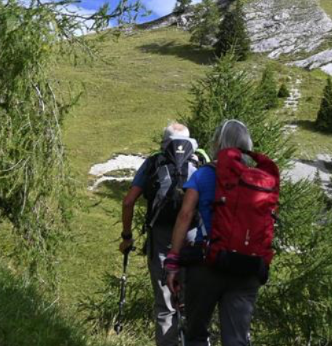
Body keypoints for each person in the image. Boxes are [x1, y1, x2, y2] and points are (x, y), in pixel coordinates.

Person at [165, 120, 279, 346]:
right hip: (247, 267)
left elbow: (185, 215)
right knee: (237, 339)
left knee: (196, 334)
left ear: (218, 143)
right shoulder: (258, 180)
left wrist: (173, 262)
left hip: (207, 264)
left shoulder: (204, 174)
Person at [119, 122, 206, 346]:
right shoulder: (200, 161)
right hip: (192, 238)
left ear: (164, 142)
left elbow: (128, 202)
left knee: (165, 305)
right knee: (193, 303)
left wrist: (127, 236)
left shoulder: (153, 162)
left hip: (161, 238)